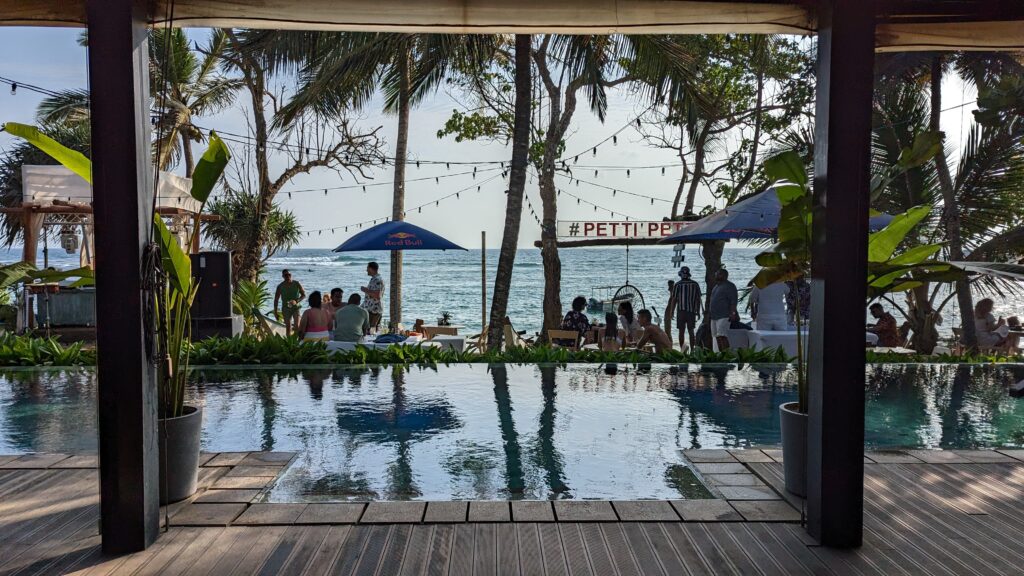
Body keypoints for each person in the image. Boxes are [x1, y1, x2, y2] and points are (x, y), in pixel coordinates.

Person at [668, 266, 702, 351]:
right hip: (691, 311)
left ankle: (682, 350)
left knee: (681, 332)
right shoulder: (695, 284)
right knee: (691, 331)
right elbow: (698, 299)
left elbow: (674, 299)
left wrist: (671, 311)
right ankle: (692, 350)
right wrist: (698, 311)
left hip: (681, 311)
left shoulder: (678, 284)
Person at [708, 268, 738, 351]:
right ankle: (720, 354)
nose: (716, 275)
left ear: (724, 275)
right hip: (714, 316)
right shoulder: (716, 286)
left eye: (718, 274)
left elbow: (733, 301)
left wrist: (733, 313)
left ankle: (726, 354)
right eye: (716, 274)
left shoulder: (730, 286)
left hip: (724, 315)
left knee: (722, 336)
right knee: (716, 336)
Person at [274, 269, 305, 337]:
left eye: (289, 274)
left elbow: (303, 295)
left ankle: (297, 342)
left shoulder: (296, 283)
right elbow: (276, 299)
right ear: (283, 276)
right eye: (286, 275)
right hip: (285, 308)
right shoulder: (280, 286)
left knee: (297, 326)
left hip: (296, 307)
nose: (288, 276)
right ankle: (289, 342)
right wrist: (275, 312)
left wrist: (296, 301)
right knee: (288, 327)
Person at [360, 261, 384, 331]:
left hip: (374, 310)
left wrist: (365, 290)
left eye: (367, 268)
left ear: (371, 268)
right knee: (370, 331)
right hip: (372, 309)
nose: (366, 270)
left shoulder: (377, 279)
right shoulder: (374, 279)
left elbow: (377, 295)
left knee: (371, 331)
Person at [664, 280, 675, 345]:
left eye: (669, 286)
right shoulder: (672, 293)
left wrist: (671, 312)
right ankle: (669, 343)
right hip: (668, 313)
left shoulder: (673, 294)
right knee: (667, 330)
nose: (668, 288)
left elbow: (672, 304)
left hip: (668, 313)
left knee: (667, 330)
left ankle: (670, 343)